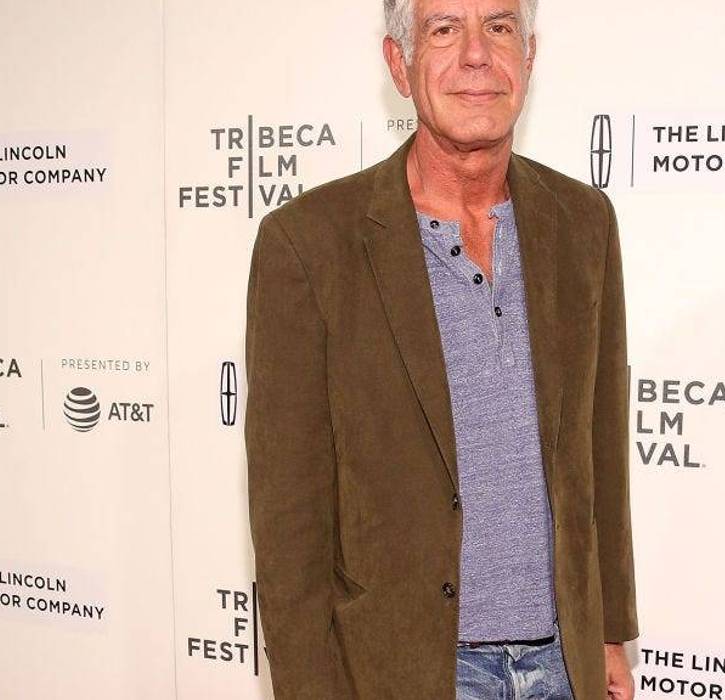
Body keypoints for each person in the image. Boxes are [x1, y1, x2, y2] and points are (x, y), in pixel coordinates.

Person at [243, 0, 638, 696]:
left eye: (499, 26)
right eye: (444, 29)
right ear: (399, 64)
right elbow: (288, 516)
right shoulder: (309, 244)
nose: (477, 55)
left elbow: (599, 446)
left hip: (562, 666)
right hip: (402, 671)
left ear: (529, 56)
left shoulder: (583, 222)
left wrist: (607, 632)